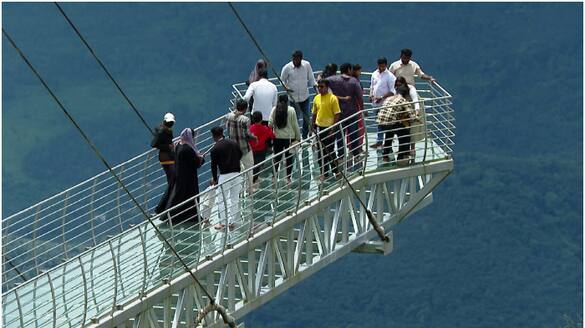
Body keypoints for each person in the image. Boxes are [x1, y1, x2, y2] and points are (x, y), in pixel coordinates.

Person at [327, 63, 364, 167]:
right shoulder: (354, 81)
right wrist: (362, 109)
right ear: (349, 69)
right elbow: (360, 97)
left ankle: (341, 156)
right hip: (352, 113)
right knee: (353, 134)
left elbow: (322, 82)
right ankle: (356, 154)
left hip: (339, 113)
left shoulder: (333, 80)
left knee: (340, 136)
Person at [166, 128, 204, 225]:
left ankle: (173, 216)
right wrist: (201, 158)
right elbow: (196, 163)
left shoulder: (178, 145)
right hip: (189, 177)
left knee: (179, 195)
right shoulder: (188, 149)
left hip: (180, 174)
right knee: (192, 195)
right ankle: (192, 216)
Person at [210, 126, 243, 230]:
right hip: (237, 173)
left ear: (214, 136)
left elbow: (213, 165)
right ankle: (232, 222)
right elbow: (241, 154)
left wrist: (215, 179)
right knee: (235, 198)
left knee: (222, 199)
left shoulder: (215, 148)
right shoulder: (233, 142)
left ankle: (223, 223)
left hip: (224, 175)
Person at [280, 50, 317, 139]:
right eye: (294, 60)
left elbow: (311, 79)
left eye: (297, 60)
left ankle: (304, 136)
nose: (295, 61)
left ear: (301, 59)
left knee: (307, 117)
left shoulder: (306, 65)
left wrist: (316, 88)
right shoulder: (287, 67)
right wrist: (286, 87)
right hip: (293, 98)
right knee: (294, 119)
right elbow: (282, 80)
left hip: (305, 97)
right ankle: (296, 137)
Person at [376, 84, 414, 166]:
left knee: (390, 132)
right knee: (405, 134)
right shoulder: (403, 101)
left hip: (380, 122)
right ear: (406, 95)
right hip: (390, 123)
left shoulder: (389, 98)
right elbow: (412, 116)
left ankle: (385, 155)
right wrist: (416, 117)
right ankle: (401, 157)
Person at [225, 99, 257, 193]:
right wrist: (254, 137)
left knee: (236, 170)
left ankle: (236, 190)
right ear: (245, 109)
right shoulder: (245, 120)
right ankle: (249, 188)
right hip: (244, 148)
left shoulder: (229, 116)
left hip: (233, 149)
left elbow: (227, 128)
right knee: (249, 167)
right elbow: (247, 134)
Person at [311, 79, 341, 181]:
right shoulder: (316, 98)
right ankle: (324, 172)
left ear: (327, 87)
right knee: (321, 153)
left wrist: (333, 128)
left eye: (322, 87)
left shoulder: (333, 98)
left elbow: (337, 114)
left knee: (330, 151)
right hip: (320, 128)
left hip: (329, 128)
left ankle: (336, 171)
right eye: (318, 87)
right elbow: (314, 113)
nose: (320, 89)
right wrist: (312, 126)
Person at [269, 94, 301, 183]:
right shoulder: (291, 110)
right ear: (287, 101)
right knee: (289, 158)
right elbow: (295, 125)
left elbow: (270, 124)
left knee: (277, 157)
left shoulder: (274, 109)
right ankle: (288, 178)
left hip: (277, 138)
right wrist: (298, 137)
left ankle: (274, 177)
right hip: (289, 138)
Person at [151, 112, 176, 214]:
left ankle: (167, 205)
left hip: (169, 156)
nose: (171, 124)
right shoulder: (162, 131)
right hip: (166, 158)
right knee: (173, 180)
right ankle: (163, 207)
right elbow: (153, 144)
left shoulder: (167, 130)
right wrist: (167, 147)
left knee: (172, 180)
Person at [369, 57, 396, 148]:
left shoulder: (390, 76)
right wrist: (371, 95)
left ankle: (385, 141)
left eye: (383, 66)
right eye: (380, 66)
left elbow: (392, 91)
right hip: (375, 103)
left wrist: (381, 97)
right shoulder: (374, 74)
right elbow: (372, 86)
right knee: (379, 122)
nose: (381, 68)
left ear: (386, 65)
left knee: (385, 122)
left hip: (385, 104)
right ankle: (380, 141)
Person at [249, 111, 275, 189]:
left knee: (253, 164)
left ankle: (254, 178)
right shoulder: (265, 129)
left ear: (253, 119)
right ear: (261, 120)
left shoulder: (250, 128)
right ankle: (254, 179)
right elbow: (272, 136)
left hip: (252, 149)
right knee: (259, 164)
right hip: (261, 149)